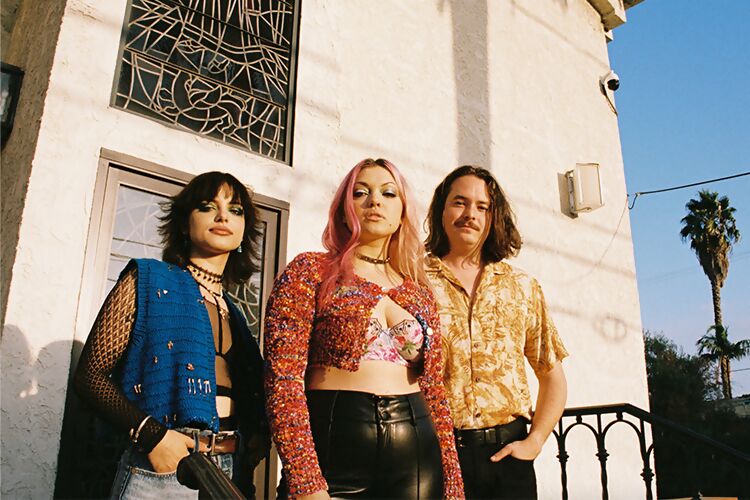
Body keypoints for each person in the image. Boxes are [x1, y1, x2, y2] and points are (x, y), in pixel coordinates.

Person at [263, 159, 464, 499]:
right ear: (344, 210)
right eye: (360, 193)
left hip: (416, 450)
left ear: (402, 211)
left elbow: (434, 390)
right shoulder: (309, 270)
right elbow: (282, 378)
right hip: (333, 445)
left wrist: (454, 486)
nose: (375, 201)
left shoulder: (419, 290)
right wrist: (305, 480)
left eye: (388, 193)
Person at [74, 171, 268, 498]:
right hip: (165, 467)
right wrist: (152, 436)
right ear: (184, 225)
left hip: (230, 473)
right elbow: (89, 378)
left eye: (235, 210)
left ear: (244, 231)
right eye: (207, 207)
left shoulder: (235, 313)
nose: (223, 216)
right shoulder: (149, 280)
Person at [424, 166, 568, 500]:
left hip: (507, 459)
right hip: (435, 456)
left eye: (482, 207)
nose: (470, 214)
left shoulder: (522, 287)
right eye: (459, 202)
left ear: (494, 217)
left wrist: (535, 441)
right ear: (442, 210)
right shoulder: (414, 280)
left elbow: (553, 378)